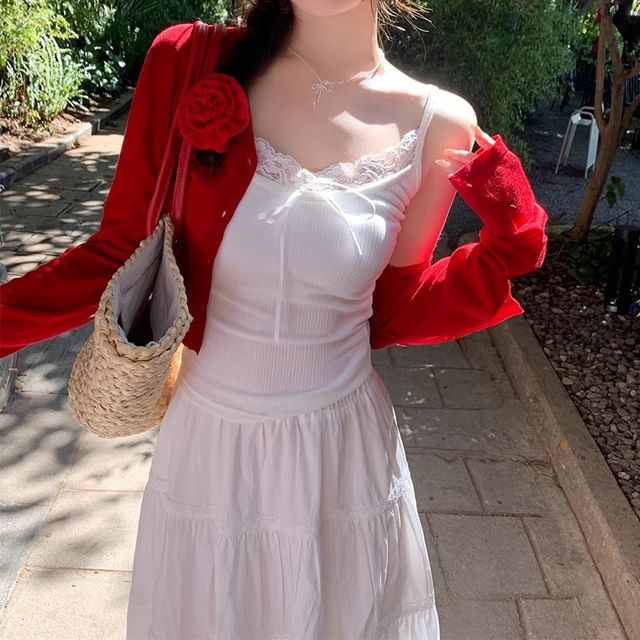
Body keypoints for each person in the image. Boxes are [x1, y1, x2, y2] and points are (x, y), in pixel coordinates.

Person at [0, 0, 549, 638]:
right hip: (210, 449)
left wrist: (507, 243)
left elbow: (392, 308)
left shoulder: (438, 122)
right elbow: (115, 254)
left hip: (340, 458)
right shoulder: (190, 62)